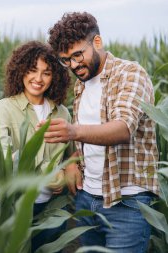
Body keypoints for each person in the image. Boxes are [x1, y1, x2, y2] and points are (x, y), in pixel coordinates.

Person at [43, 12, 159, 252]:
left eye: (78, 55)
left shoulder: (129, 74)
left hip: (126, 202)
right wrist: (74, 161)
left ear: (97, 42)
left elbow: (123, 128)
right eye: (66, 60)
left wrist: (72, 132)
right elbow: (88, 134)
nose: (74, 65)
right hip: (87, 199)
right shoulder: (81, 85)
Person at [0, 41, 72, 252]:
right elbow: (2, 160)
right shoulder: (3, 110)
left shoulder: (62, 113)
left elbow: (68, 157)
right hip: (13, 206)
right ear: (21, 70)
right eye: (32, 70)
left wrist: (64, 171)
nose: (38, 79)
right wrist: (50, 174)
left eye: (46, 73)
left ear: (55, 77)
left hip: (51, 207)